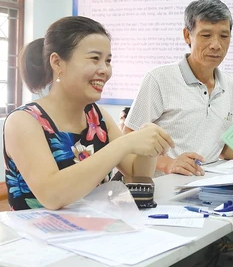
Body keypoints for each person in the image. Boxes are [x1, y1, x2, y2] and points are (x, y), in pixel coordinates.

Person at [3, 16, 173, 211]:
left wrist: (149, 143)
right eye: (94, 58)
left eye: (108, 61)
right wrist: (125, 143)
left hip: (94, 233)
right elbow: (52, 195)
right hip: (40, 238)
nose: (105, 70)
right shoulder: (24, 121)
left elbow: (136, 173)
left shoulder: (97, 116)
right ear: (57, 62)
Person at [124, 0, 233, 176]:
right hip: (162, 189)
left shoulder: (230, 86)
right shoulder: (159, 79)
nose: (216, 45)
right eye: (206, 35)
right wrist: (168, 164)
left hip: (208, 186)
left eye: (224, 36)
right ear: (187, 36)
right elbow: (127, 143)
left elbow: (223, 147)